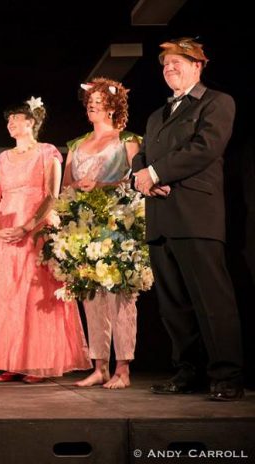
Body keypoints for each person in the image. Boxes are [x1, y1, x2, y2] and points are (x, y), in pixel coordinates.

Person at [132, 38, 244, 400]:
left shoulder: (217, 102)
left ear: (199, 66)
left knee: (212, 301)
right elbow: (142, 157)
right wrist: (142, 178)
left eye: (178, 63)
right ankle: (187, 372)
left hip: (197, 216)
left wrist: (156, 173)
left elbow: (205, 148)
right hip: (161, 218)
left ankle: (227, 376)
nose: (170, 69)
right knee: (173, 305)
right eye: (165, 65)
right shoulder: (156, 116)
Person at [0, 98, 91, 383]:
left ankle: (38, 362)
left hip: (36, 229)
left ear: (31, 122)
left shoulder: (47, 152)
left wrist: (27, 226)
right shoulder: (2, 158)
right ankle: (11, 360)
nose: (10, 124)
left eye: (16, 118)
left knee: (35, 296)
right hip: (6, 231)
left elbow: (52, 195)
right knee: (7, 297)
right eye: (9, 120)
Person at [62, 78, 141, 389]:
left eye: (99, 100)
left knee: (120, 297)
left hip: (118, 224)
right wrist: (76, 191)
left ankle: (123, 369)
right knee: (91, 296)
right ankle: (100, 367)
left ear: (113, 106)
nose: (92, 103)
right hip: (84, 227)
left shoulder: (127, 139)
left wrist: (103, 186)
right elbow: (65, 184)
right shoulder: (76, 144)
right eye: (90, 99)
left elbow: (136, 180)